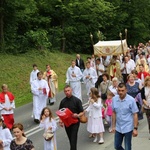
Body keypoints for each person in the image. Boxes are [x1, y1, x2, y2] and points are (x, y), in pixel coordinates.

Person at [112, 83, 139, 150]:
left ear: (126, 90)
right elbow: (114, 112)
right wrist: (113, 126)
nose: (120, 92)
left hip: (128, 127)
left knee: (127, 147)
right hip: (118, 127)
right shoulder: (114, 99)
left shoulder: (131, 100)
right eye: (119, 90)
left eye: (122, 90)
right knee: (117, 146)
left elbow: (135, 114)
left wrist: (135, 128)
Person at [59, 85, 84, 150]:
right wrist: (61, 121)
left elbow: (82, 112)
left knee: (73, 138)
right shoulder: (63, 101)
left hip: (75, 122)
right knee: (70, 138)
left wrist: (77, 115)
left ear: (71, 90)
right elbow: (60, 112)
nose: (67, 92)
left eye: (68, 90)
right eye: (65, 91)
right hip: (67, 123)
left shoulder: (77, 100)